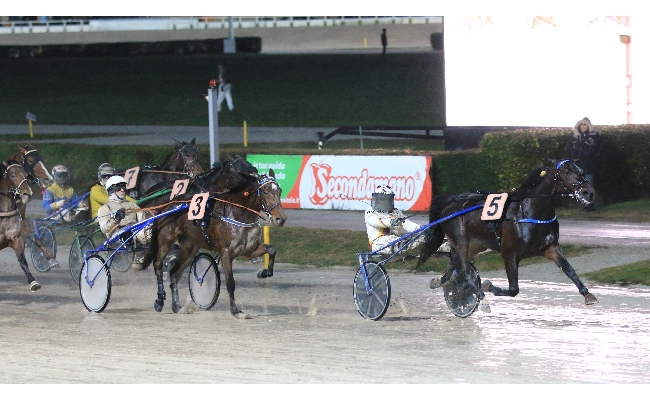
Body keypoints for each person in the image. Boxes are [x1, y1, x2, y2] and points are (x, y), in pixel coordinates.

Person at [364, 185, 450, 257]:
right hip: (379, 243)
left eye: (387, 199)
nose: (384, 201)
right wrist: (391, 222)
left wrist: (421, 228)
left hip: (397, 240)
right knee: (403, 243)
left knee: (423, 239)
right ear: (376, 199)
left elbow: (407, 224)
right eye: (382, 199)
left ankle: (445, 245)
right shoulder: (370, 211)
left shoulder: (396, 211)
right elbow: (374, 221)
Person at [97, 176, 148, 270]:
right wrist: (116, 218)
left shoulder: (132, 204)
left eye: (124, 187)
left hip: (135, 230)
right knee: (130, 233)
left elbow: (142, 217)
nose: (122, 190)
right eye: (118, 187)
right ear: (111, 189)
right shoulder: (104, 208)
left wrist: (145, 217)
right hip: (118, 234)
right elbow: (104, 229)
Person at [571, 117, 601, 211]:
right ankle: (585, 204)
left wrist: (582, 155)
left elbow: (593, 150)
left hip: (589, 164)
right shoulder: (576, 138)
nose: (583, 127)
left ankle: (590, 204)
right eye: (581, 125)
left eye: (585, 125)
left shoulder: (594, 137)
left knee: (589, 184)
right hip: (579, 164)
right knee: (581, 185)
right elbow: (572, 150)